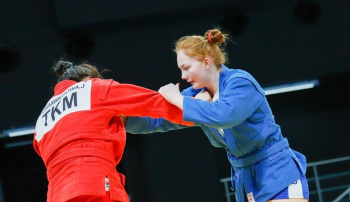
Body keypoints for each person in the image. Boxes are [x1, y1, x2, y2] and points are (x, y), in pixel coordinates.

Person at [125, 29, 309, 202]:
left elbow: (224, 115)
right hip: (246, 176)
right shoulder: (195, 96)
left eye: (187, 67)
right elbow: (159, 119)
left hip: (276, 169)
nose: (182, 75)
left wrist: (176, 98)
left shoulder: (240, 82)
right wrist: (120, 120)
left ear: (206, 62)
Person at [33, 60, 193, 202]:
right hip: (93, 185)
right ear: (89, 79)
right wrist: (203, 110)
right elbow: (156, 104)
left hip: (57, 195)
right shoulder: (93, 88)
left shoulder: (41, 120)